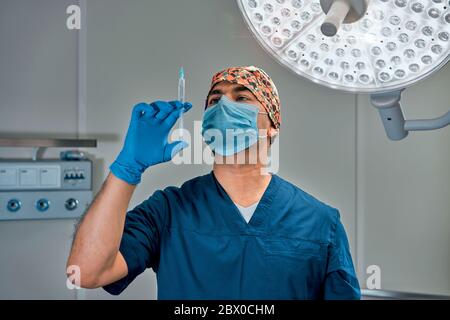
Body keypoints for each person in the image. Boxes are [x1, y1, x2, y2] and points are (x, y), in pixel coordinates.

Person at [66, 66, 360, 299]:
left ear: (272, 126)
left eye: (242, 98)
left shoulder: (320, 221)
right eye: (215, 100)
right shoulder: (168, 210)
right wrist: (127, 168)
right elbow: (87, 273)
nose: (224, 107)